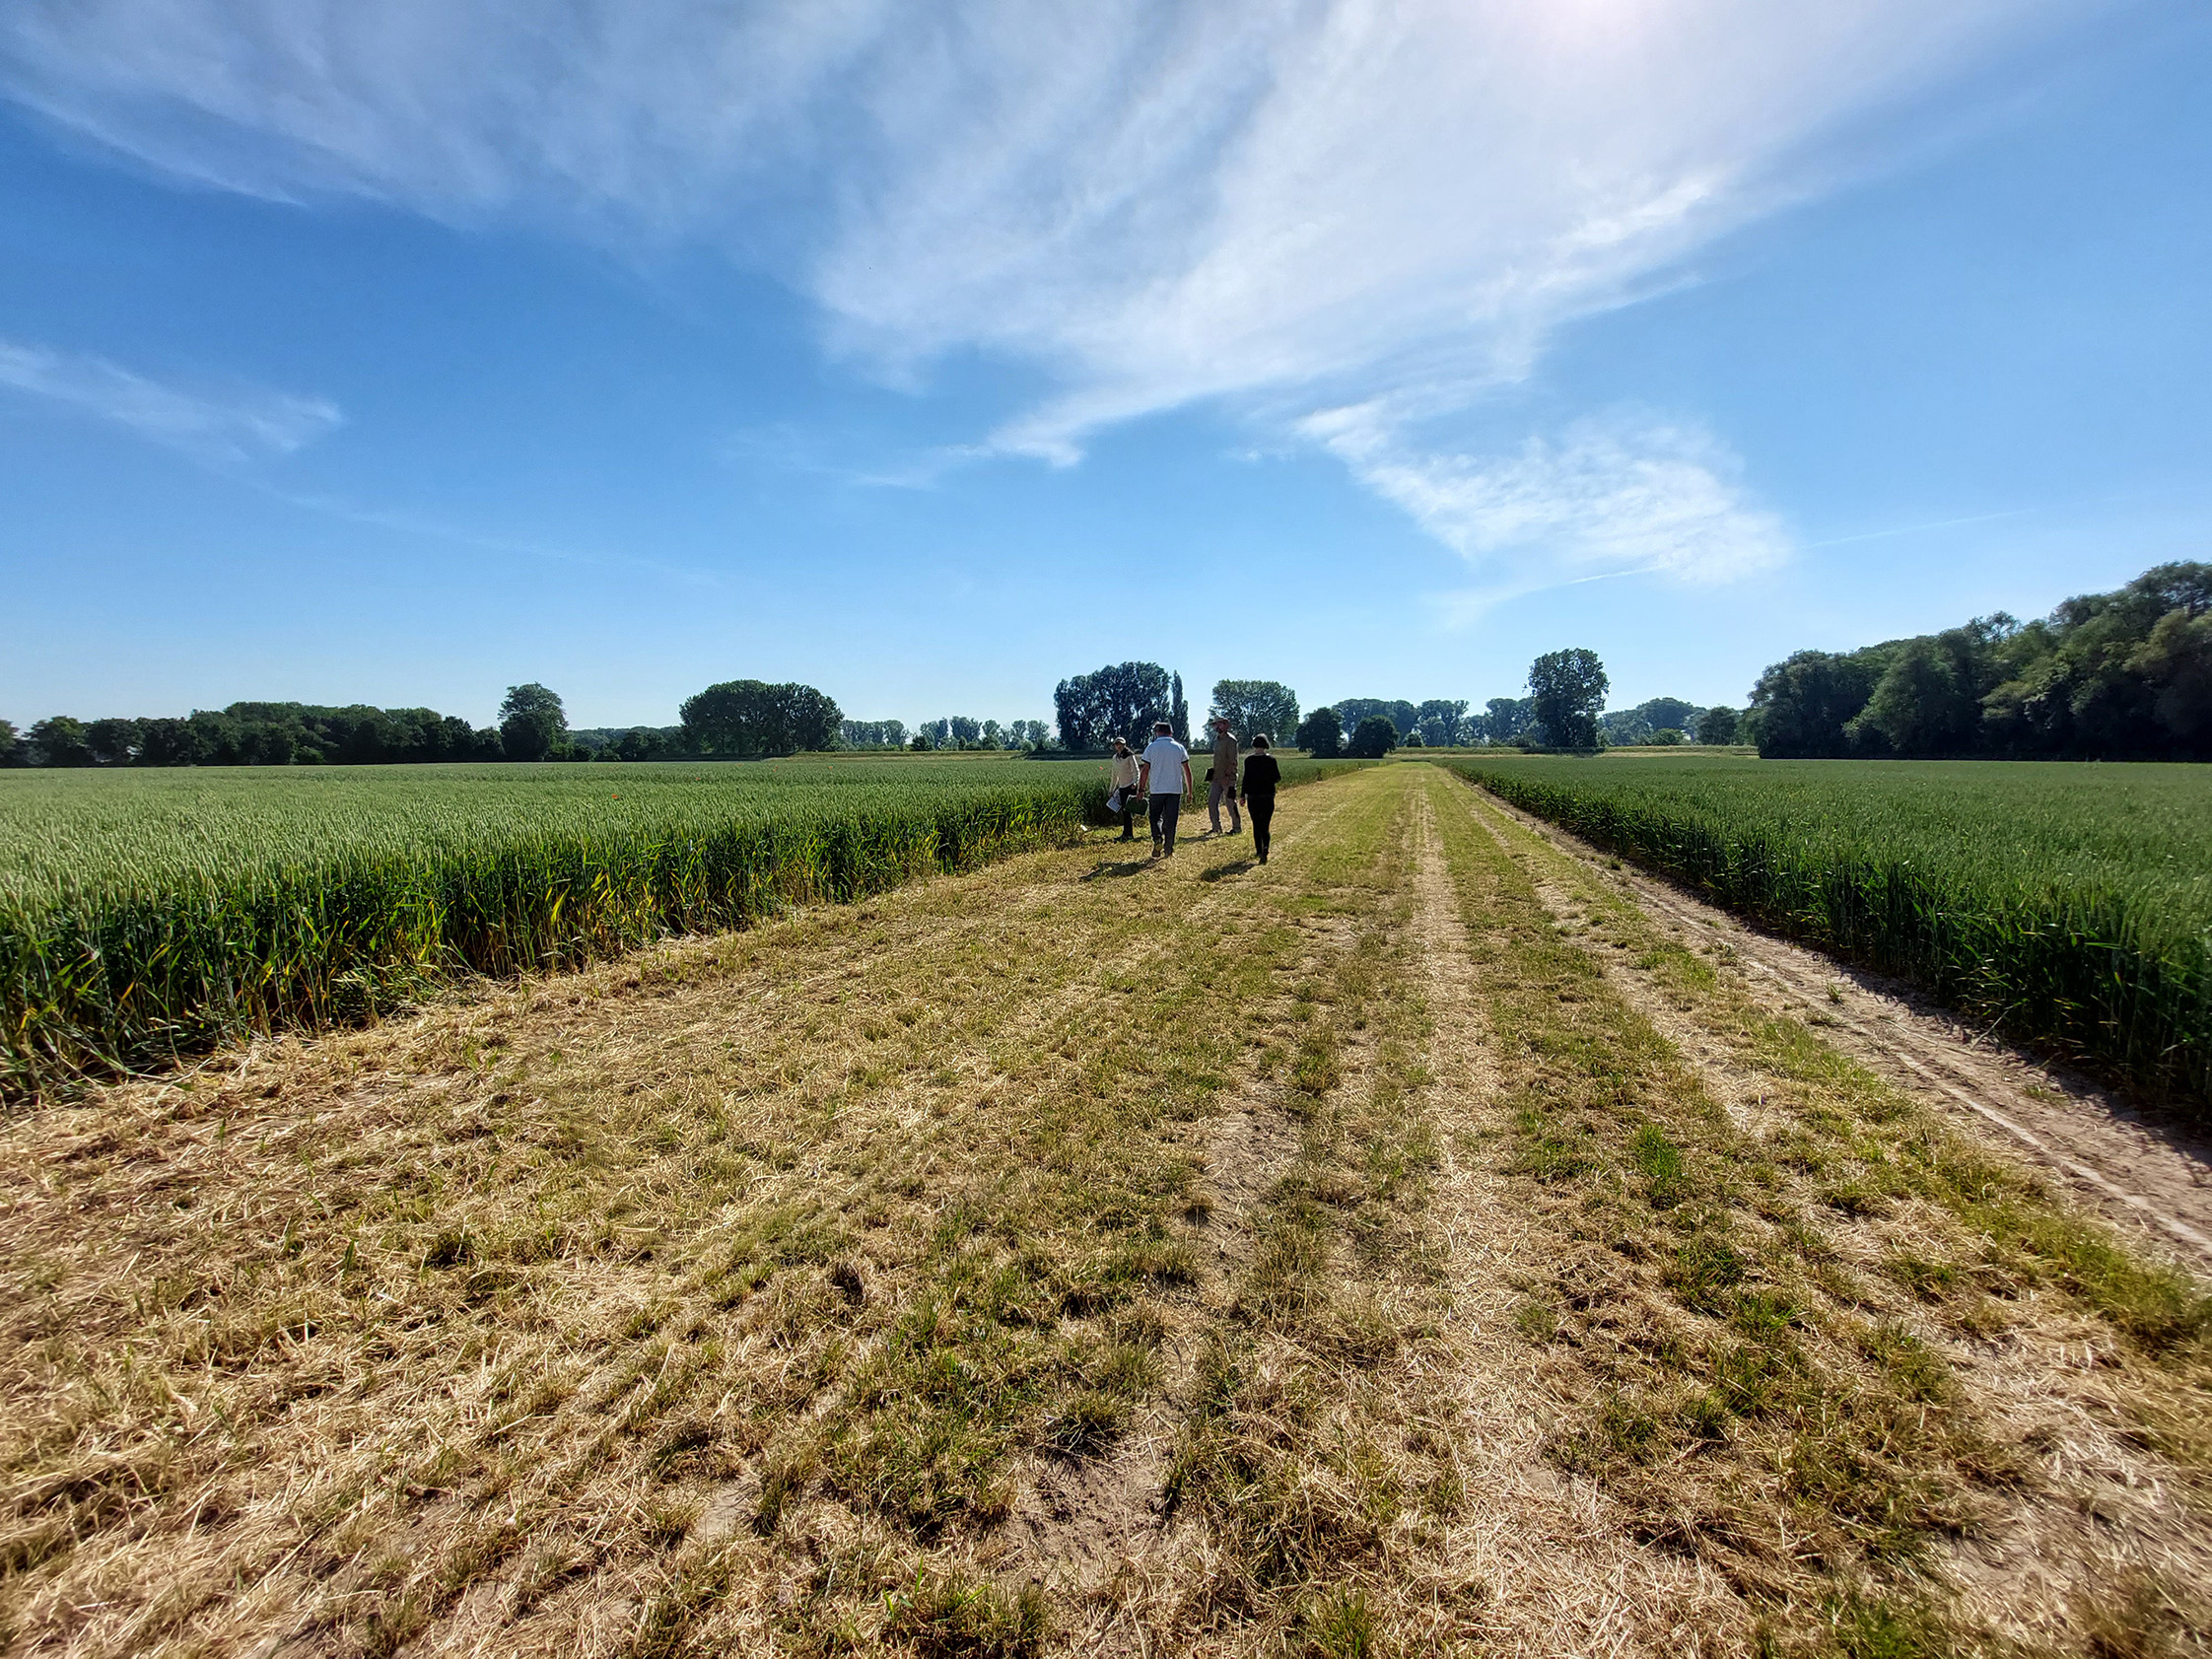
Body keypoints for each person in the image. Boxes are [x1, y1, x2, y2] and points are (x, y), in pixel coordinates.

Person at [1137, 720, 1192, 858]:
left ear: (1157, 733)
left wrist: (1141, 790)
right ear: (1170, 733)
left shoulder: (1151, 748)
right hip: (1175, 790)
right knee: (1171, 820)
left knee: (1155, 817)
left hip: (1157, 790)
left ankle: (1157, 839)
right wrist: (1189, 791)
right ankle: (1169, 848)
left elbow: (1145, 771)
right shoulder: (1179, 748)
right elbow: (1187, 771)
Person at [1241, 734, 1281, 864]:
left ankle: (1258, 850)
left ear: (1254, 745)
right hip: (1267, 796)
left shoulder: (1249, 761)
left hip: (1253, 797)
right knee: (1265, 825)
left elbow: (1246, 779)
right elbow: (1277, 778)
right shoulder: (1271, 760)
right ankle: (1266, 848)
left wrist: (1242, 795)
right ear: (1265, 745)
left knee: (1256, 824)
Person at [1206, 716, 1242, 836]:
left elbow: (1233, 761)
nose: (1217, 726)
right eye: (1216, 724)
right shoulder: (1216, 741)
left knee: (1231, 803)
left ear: (1226, 725)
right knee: (1212, 802)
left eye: (1220, 724)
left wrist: (1227, 776)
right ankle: (1216, 827)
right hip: (1216, 778)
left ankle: (1237, 828)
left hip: (1229, 778)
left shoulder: (1231, 740)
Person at [1107, 736, 1140, 841]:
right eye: (1117, 744)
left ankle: (1128, 834)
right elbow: (1114, 775)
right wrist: (1111, 789)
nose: (1119, 746)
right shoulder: (1115, 758)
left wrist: (1135, 782)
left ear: (1124, 745)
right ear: (1115, 746)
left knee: (1128, 811)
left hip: (1130, 786)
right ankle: (1126, 833)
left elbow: (1136, 770)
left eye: (1120, 744)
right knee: (1124, 811)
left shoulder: (1130, 756)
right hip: (1121, 787)